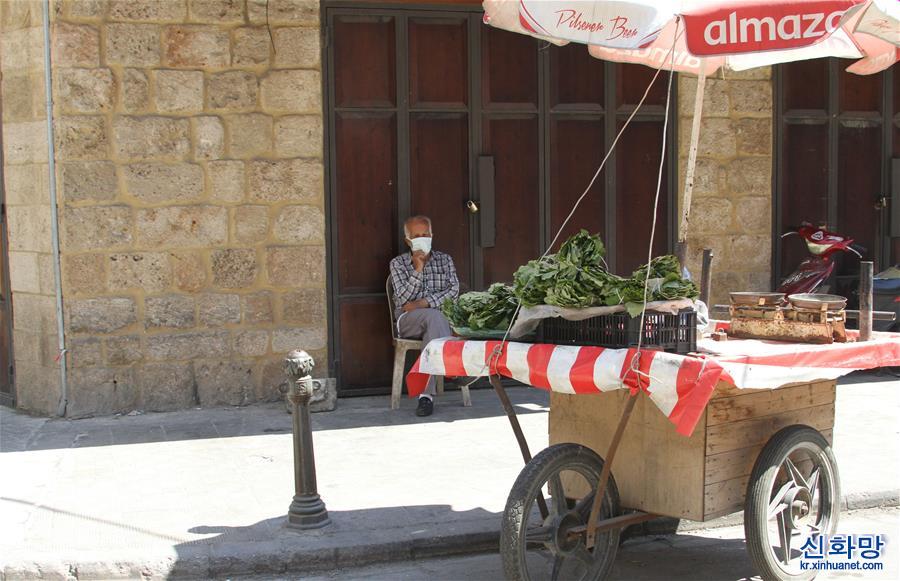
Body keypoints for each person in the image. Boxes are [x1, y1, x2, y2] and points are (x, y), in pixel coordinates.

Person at [389, 215, 459, 417]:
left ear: (432, 235)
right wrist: (417, 269)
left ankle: (425, 396)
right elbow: (402, 299)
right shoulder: (398, 263)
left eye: (425, 234)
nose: (422, 238)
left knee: (435, 319)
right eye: (416, 235)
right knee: (436, 318)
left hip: (437, 319)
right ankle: (451, 366)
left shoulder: (444, 260)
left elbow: (454, 291)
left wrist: (423, 303)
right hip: (407, 321)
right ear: (408, 240)